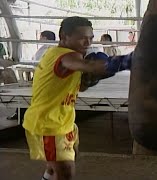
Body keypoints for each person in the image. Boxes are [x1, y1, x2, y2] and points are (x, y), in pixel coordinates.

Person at [22, 16, 130, 180]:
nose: (87, 43)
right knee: (65, 171)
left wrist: (90, 79)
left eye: (91, 38)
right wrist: (128, 60)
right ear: (64, 36)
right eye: (82, 38)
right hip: (48, 124)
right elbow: (91, 66)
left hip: (63, 120)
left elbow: (81, 85)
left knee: (61, 163)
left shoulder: (67, 57)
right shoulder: (65, 55)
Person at [6, 31, 56, 121]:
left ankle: (21, 114)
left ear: (45, 38)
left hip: (41, 76)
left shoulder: (47, 49)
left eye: (41, 37)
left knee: (27, 94)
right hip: (45, 76)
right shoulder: (51, 48)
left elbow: (36, 62)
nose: (39, 39)